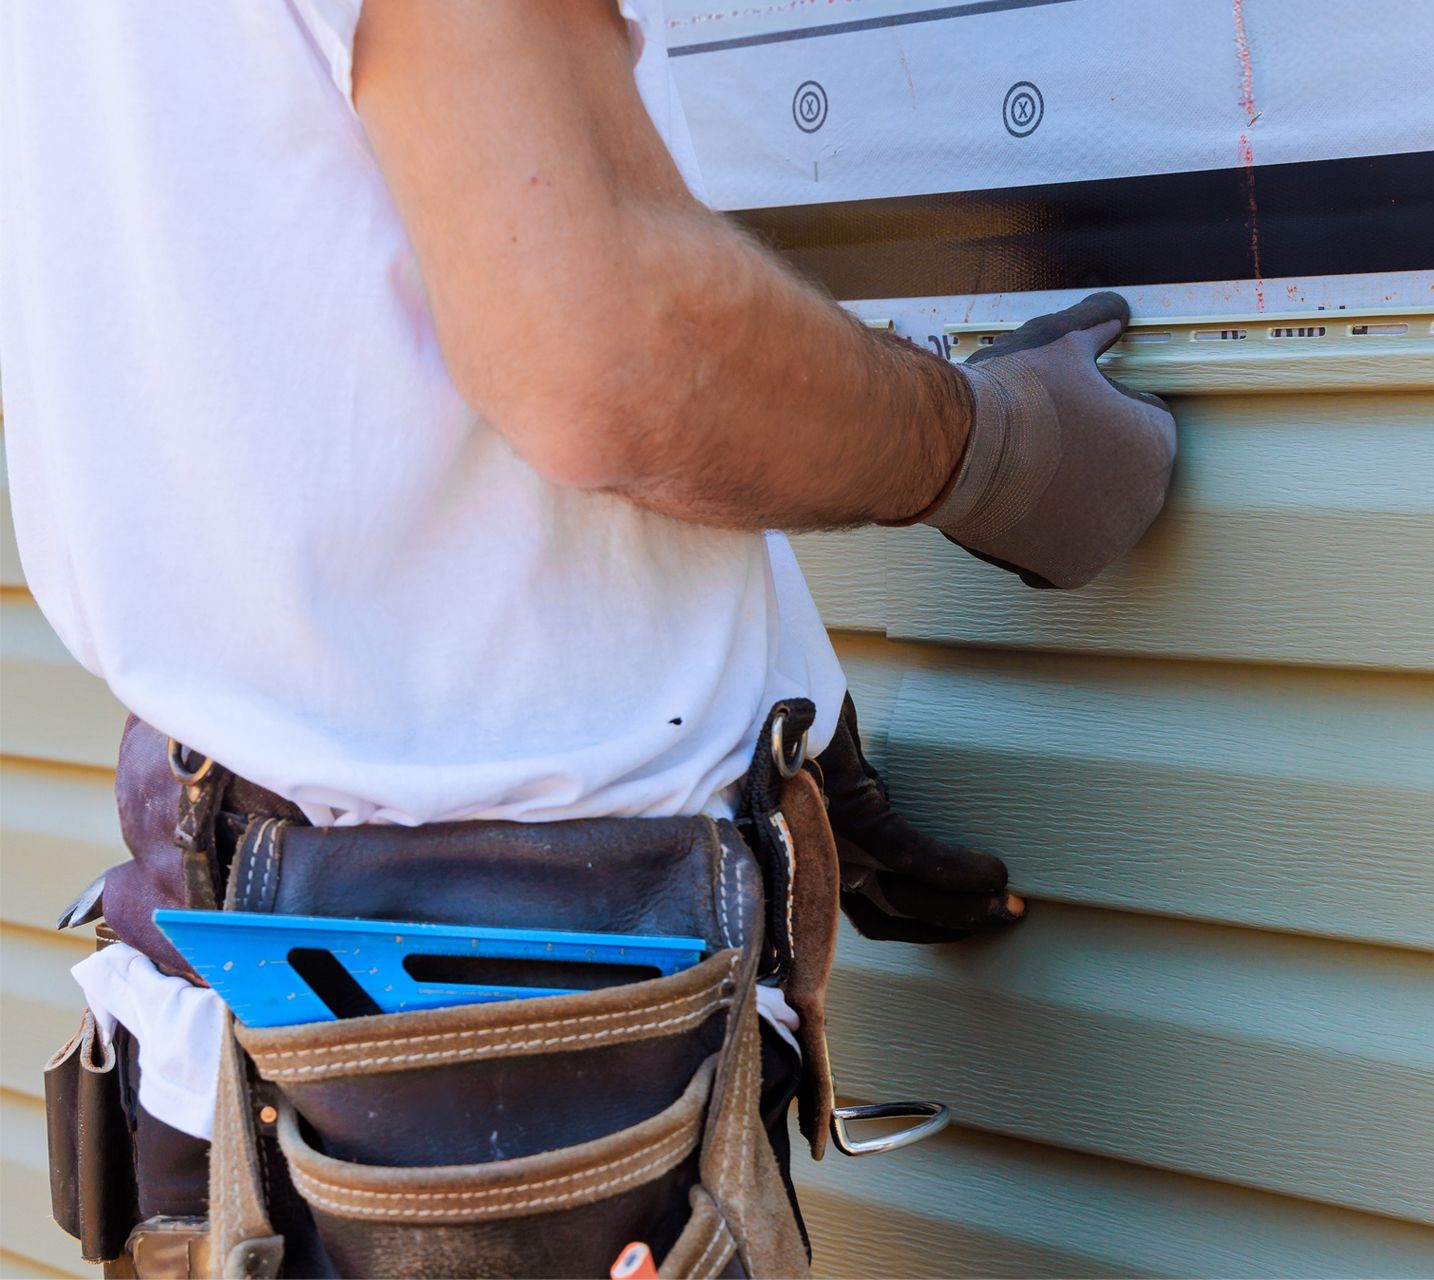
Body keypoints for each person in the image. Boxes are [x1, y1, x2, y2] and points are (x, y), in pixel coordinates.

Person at [1, 1, 1176, 1275]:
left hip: (223, 1045)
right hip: (511, 1123)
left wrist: (772, 684)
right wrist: (991, 449)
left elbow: (293, 365)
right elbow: (609, 350)